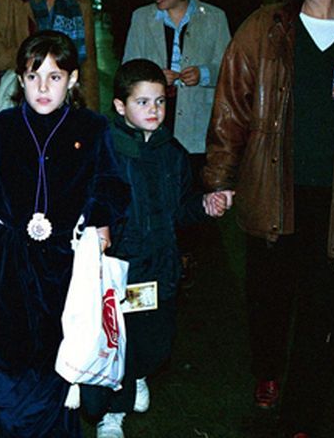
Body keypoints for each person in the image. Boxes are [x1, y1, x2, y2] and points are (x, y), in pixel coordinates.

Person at [204, 0, 334, 438]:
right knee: (269, 299)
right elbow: (231, 103)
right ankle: (267, 371)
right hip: (273, 189)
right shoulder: (265, 26)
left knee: (322, 311)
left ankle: (302, 413)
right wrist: (219, 176)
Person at [0, 30, 129, 438]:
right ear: (19, 80)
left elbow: (111, 185)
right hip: (9, 265)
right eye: (33, 76)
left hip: (66, 266)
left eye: (55, 77)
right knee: (11, 374)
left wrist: (98, 219)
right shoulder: (0, 130)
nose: (43, 87)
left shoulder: (92, 129)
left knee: (59, 372)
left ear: (72, 80)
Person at [83, 59, 230, 438]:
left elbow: (181, 208)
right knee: (120, 344)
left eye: (161, 102)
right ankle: (113, 411)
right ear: (120, 106)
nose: (154, 110)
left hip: (161, 266)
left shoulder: (173, 153)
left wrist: (204, 205)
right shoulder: (106, 150)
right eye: (143, 102)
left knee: (157, 344)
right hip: (123, 268)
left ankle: (138, 375)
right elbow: (91, 203)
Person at [122, 0, 230, 171]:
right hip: (152, 123)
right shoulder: (141, 18)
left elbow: (229, 71)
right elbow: (127, 71)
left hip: (197, 128)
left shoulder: (214, 18)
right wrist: (154, 78)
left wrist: (204, 74)